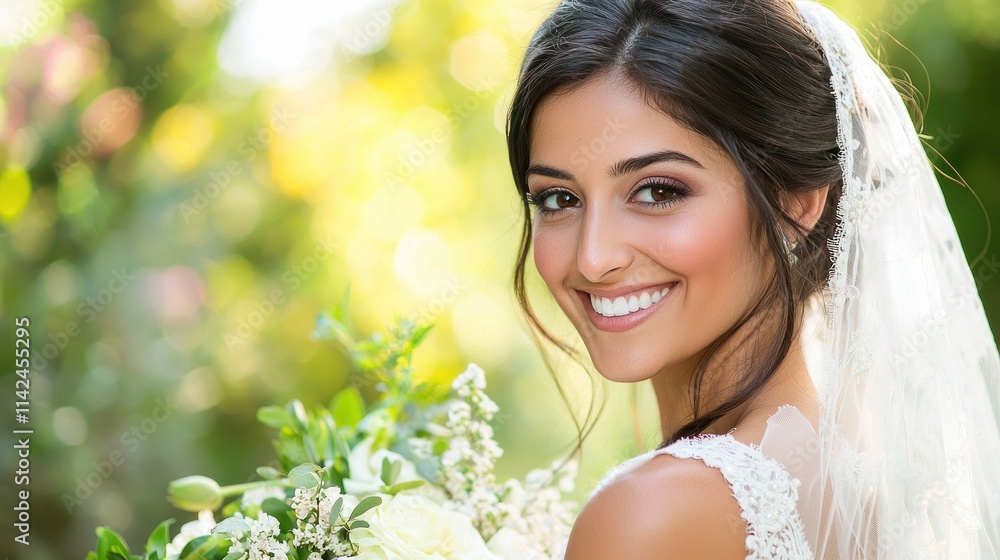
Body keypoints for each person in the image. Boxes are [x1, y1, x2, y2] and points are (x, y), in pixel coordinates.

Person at [505, 0, 1000, 558]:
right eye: (559, 198)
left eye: (658, 191)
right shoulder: (879, 486)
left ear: (796, 203)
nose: (593, 258)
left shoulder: (650, 515)